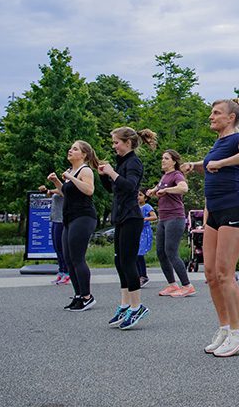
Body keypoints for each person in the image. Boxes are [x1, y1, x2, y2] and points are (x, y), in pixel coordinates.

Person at [183, 98, 239, 357]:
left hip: (234, 210)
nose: (211, 116)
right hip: (215, 213)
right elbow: (212, 164)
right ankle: (225, 327)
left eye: (216, 113)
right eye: (211, 112)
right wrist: (196, 166)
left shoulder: (236, 138)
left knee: (225, 273)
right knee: (210, 274)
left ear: (230, 117)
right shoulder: (219, 142)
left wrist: (221, 164)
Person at [99, 127, 157, 330]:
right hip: (121, 216)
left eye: (116, 142)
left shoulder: (134, 162)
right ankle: (125, 304)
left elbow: (130, 187)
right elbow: (114, 189)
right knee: (119, 261)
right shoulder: (121, 162)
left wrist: (112, 173)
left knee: (129, 262)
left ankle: (137, 306)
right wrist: (104, 176)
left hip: (133, 217)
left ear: (127, 143)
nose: (113, 146)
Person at [47, 141, 99, 310]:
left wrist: (70, 178)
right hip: (69, 218)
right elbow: (67, 193)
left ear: (83, 155)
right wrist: (57, 182)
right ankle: (78, 296)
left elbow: (89, 190)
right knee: (68, 258)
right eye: (70, 148)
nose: (70, 150)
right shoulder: (71, 171)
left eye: (75, 149)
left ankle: (87, 296)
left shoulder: (85, 170)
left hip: (83, 217)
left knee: (77, 257)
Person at [148, 150, 194, 297]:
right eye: (162, 158)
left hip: (175, 217)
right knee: (161, 253)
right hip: (163, 218)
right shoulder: (165, 177)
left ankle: (187, 285)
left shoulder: (177, 175)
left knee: (171, 252)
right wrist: (152, 191)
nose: (163, 161)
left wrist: (166, 190)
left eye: (166, 158)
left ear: (174, 161)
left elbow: (183, 188)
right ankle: (172, 285)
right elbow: (160, 189)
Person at [41, 183, 70, 285]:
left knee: (62, 248)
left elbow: (62, 192)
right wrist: (46, 191)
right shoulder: (59, 188)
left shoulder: (67, 187)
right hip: (55, 219)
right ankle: (61, 271)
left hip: (61, 220)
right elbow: (51, 193)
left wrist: (52, 190)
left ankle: (67, 272)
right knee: (57, 247)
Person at [136, 191, 156, 287]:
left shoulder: (147, 206)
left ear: (146, 198)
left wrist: (144, 219)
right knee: (135, 254)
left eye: (140, 195)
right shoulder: (135, 206)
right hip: (136, 231)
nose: (138, 197)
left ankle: (143, 276)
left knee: (140, 254)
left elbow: (154, 217)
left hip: (144, 232)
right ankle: (138, 275)